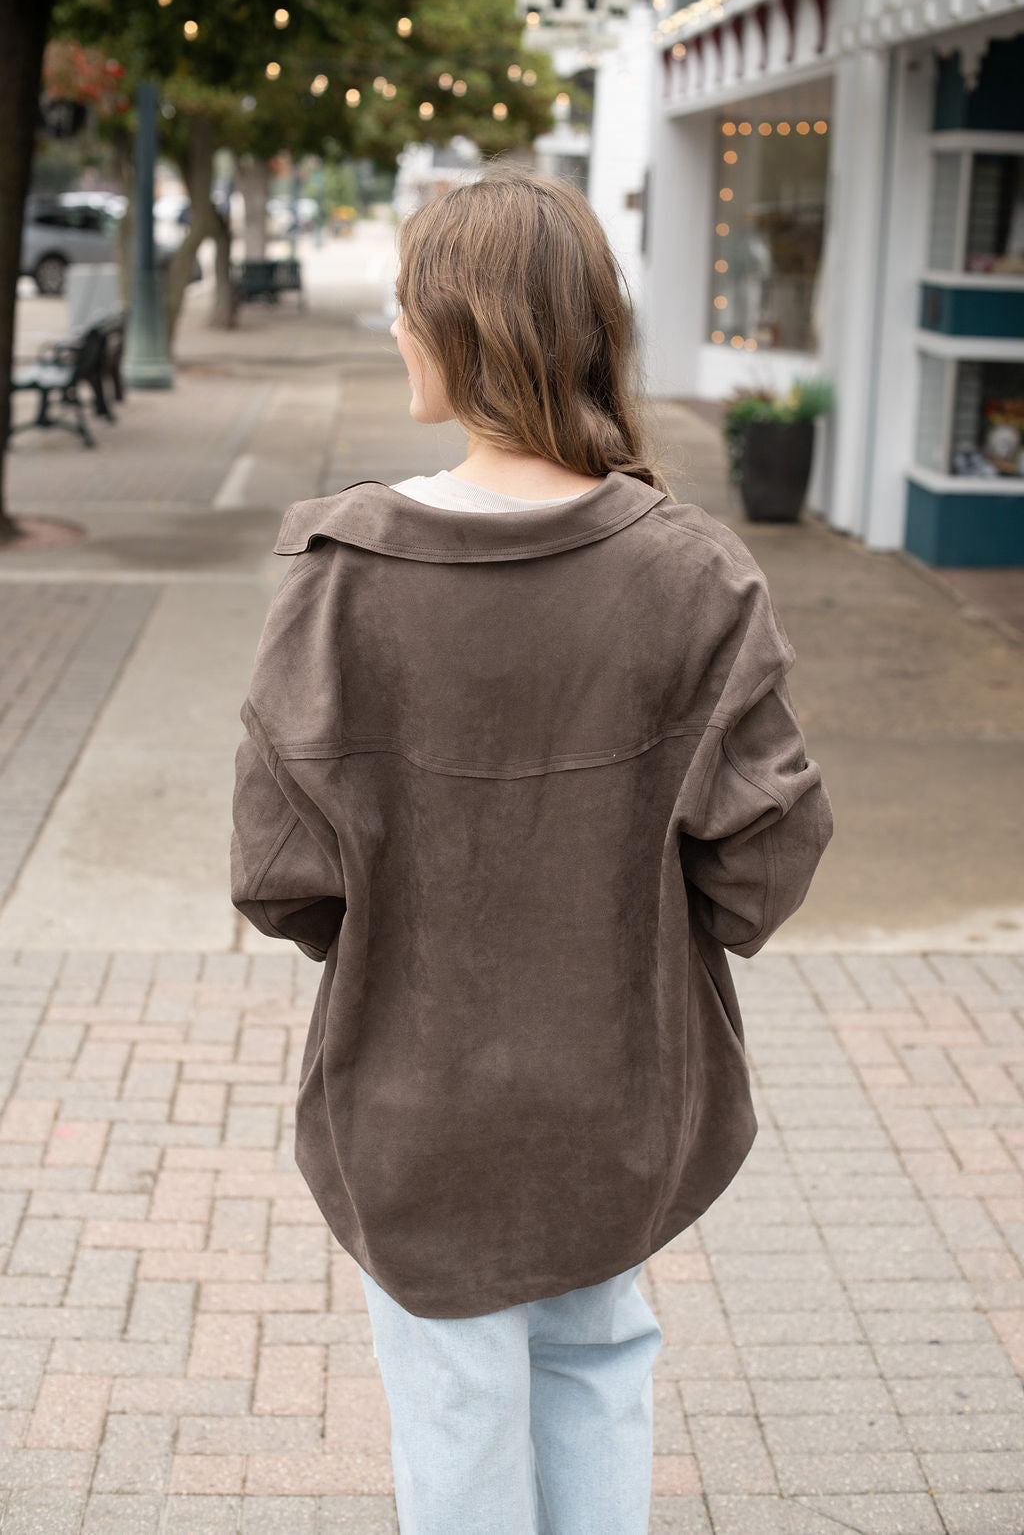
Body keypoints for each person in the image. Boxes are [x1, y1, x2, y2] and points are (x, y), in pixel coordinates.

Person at [230, 164, 833, 1535]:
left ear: (465, 327)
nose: (392, 327)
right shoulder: (695, 573)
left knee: (454, 1412)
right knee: (598, 1367)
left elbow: (277, 874)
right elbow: (762, 863)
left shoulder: (342, 578)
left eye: (406, 304)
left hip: (415, 1091)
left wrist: (404, 917)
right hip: (620, 1085)